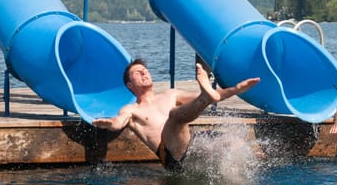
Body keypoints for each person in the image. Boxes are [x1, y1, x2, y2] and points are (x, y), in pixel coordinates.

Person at [93, 59, 260, 171]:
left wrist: (237, 88)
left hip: (191, 143)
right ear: (130, 84)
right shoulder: (131, 109)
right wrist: (108, 124)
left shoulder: (170, 94)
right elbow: (118, 122)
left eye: (145, 70)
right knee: (174, 116)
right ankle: (206, 95)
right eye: (138, 73)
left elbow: (216, 95)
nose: (144, 73)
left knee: (232, 141)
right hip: (171, 155)